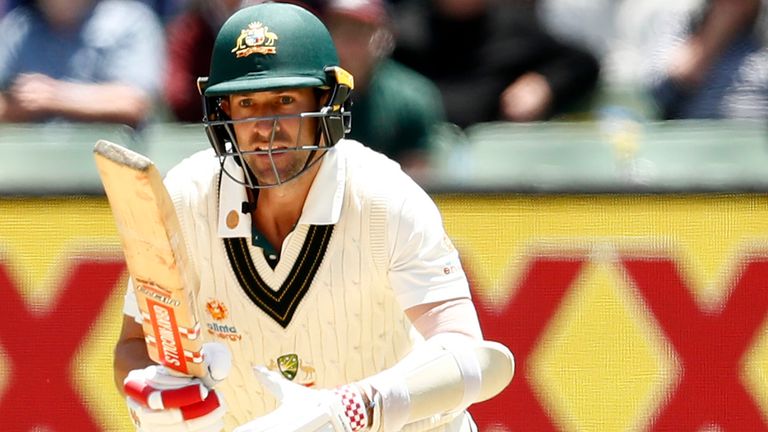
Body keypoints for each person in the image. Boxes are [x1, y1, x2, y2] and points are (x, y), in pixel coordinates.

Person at [113, 3, 514, 432]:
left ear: (327, 102)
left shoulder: (384, 197)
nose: (267, 128)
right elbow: (134, 346)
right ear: (223, 112)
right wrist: (155, 390)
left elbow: (474, 359)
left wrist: (353, 409)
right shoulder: (184, 198)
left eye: (285, 100)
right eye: (247, 103)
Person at [390, 0, 600, 128]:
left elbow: (584, 63)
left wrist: (544, 85)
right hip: (416, 158)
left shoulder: (515, 27)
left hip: (493, 174)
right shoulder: (402, 30)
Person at [322, 0, 445, 171]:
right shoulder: (313, 92)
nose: (347, 44)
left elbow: (419, 177)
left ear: (383, 35)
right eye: (339, 30)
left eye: (358, 32)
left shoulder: (412, 98)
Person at [0, 0, 164, 127]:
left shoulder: (130, 21)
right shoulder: (17, 28)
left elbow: (135, 103)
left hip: (113, 164)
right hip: (30, 162)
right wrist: (17, 106)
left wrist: (55, 96)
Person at [647, 0, 768, 119]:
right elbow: (653, 97)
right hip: (692, 131)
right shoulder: (681, 16)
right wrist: (720, 25)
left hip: (753, 131)